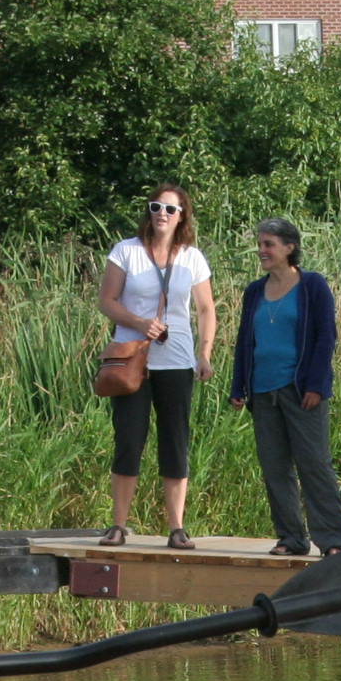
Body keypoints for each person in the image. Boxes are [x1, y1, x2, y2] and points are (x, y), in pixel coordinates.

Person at [97, 185, 216, 549]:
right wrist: (137, 321)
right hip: (133, 359)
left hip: (176, 359)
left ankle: (177, 527)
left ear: (182, 216)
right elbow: (106, 300)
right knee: (129, 439)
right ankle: (119, 524)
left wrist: (205, 354)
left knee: (175, 442)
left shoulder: (192, 257)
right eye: (156, 207)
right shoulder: (127, 251)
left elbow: (206, 309)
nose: (162, 214)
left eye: (170, 209)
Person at [228, 217, 341, 558]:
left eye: (269, 244)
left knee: (314, 464)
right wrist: (239, 385)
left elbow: (326, 336)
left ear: (289, 247)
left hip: (300, 389)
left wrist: (316, 384)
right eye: (260, 243)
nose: (261, 250)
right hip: (262, 391)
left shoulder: (311, 285)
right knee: (275, 467)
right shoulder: (254, 291)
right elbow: (244, 341)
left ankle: (333, 540)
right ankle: (291, 538)